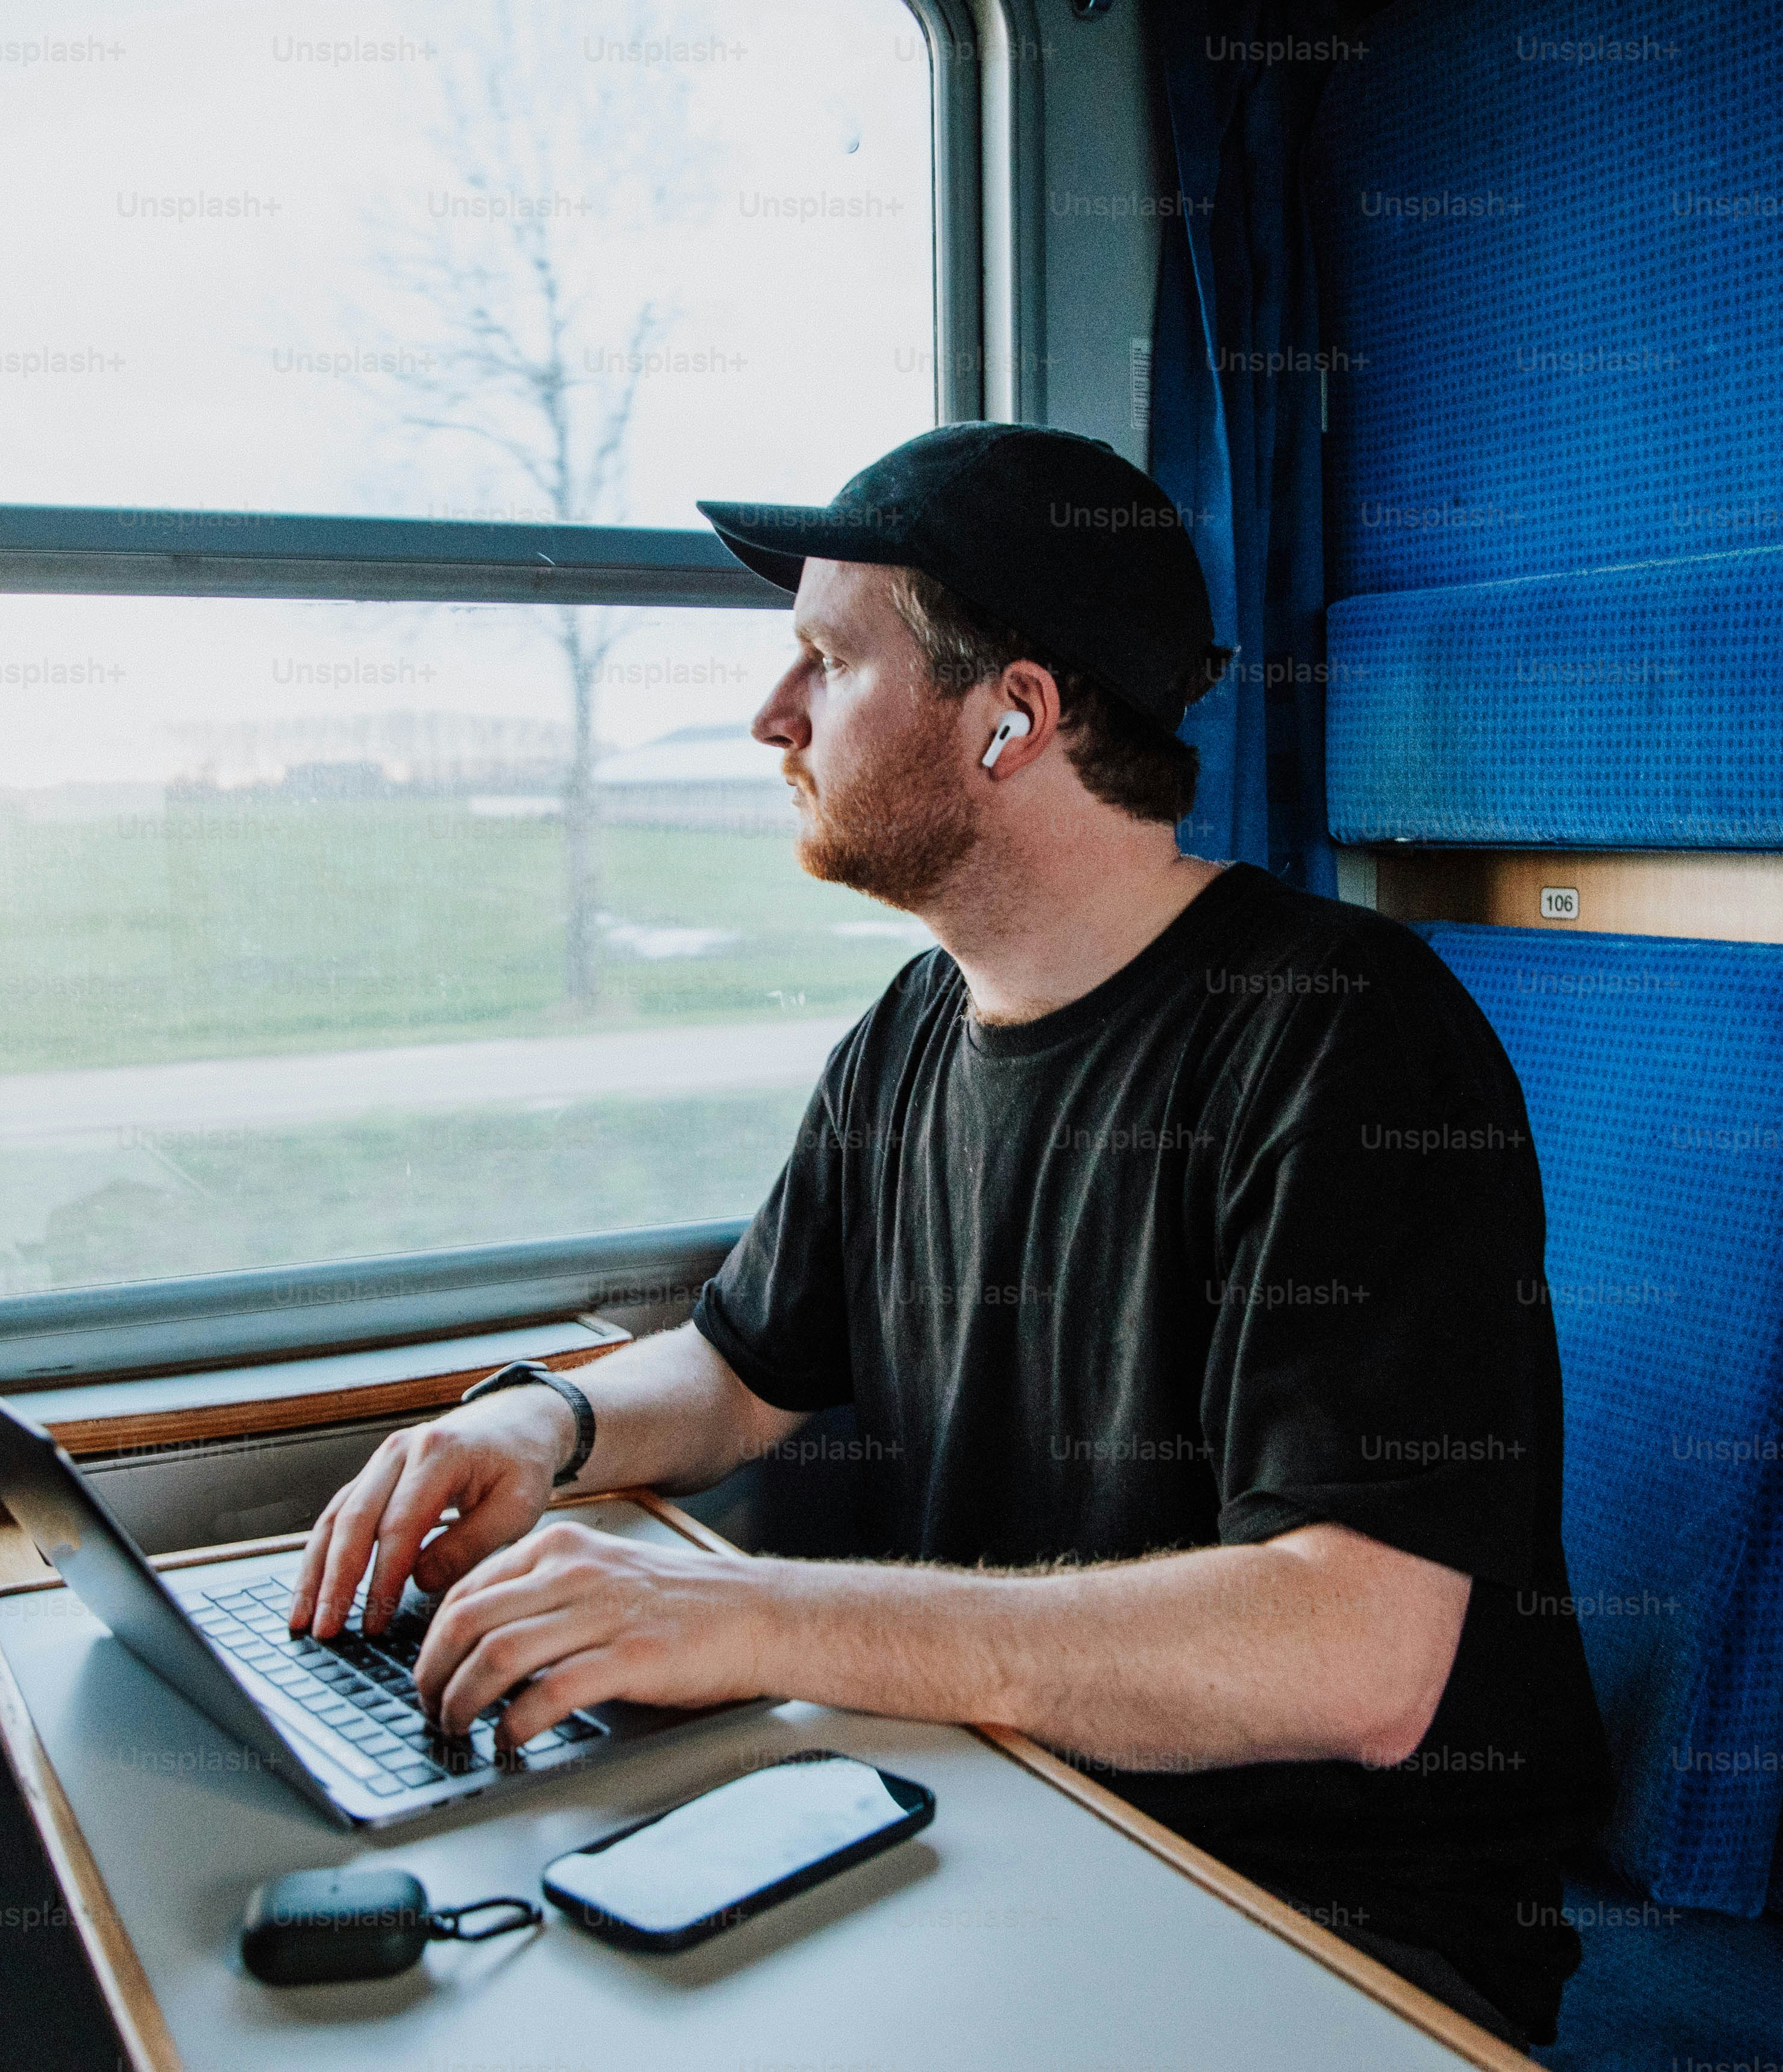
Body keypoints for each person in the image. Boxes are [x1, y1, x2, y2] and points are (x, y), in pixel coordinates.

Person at [288, 422, 1611, 2044]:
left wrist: (758, 1620)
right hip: (1005, 1809)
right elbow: (738, 1367)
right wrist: (538, 1425)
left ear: (1013, 719)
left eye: (829, 665)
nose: (773, 718)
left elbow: (1354, 1657)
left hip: (1318, 1925)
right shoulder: (917, 1027)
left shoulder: (1345, 1038)